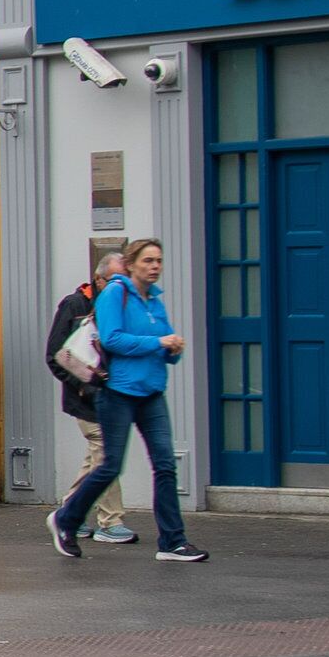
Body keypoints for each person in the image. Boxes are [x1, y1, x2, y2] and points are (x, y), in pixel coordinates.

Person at [48, 237, 202, 563]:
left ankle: (173, 542)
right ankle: (66, 519)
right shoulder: (115, 293)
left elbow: (161, 348)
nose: (155, 267)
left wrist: (172, 349)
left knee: (164, 466)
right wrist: (159, 341)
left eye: (158, 261)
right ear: (131, 264)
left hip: (151, 393)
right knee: (109, 466)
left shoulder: (154, 301)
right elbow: (113, 339)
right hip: (117, 392)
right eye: (148, 261)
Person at [44, 252, 137, 544]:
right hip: (85, 397)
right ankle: (110, 521)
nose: (121, 286)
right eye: (115, 280)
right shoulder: (74, 305)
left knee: (96, 458)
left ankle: (70, 512)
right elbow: (55, 355)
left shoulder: (121, 306)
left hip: (111, 394)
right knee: (106, 452)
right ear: (98, 279)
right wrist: (83, 384)